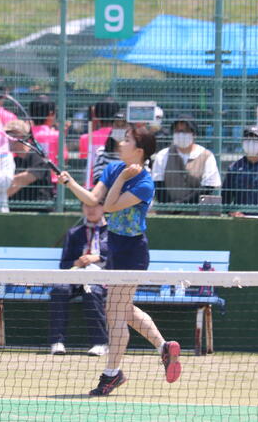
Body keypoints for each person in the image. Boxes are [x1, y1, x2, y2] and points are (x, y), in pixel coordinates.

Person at [59, 125, 182, 397]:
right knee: (123, 309)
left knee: (114, 311)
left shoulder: (144, 183)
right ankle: (163, 347)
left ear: (139, 150)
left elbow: (110, 206)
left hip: (132, 252)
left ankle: (111, 374)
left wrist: (123, 177)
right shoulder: (113, 168)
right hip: (114, 248)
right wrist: (70, 183)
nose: (121, 142)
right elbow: (93, 199)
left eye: (127, 140)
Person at [49, 202, 109, 357]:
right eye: (87, 206)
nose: (91, 210)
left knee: (91, 291)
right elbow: (64, 264)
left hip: (101, 279)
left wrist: (98, 258)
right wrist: (77, 262)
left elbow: (117, 260)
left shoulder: (113, 232)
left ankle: (100, 343)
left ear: (104, 208)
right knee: (59, 290)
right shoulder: (74, 233)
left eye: (95, 206)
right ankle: (57, 342)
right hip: (75, 277)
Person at [151, 115, 221, 213]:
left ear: (194, 133)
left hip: (197, 214)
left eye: (185, 131)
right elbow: (158, 185)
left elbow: (208, 187)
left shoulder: (206, 156)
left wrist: (180, 205)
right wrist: (170, 207)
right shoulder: (163, 155)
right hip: (167, 213)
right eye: (177, 131)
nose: (181, 134)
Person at [221, 125, 258, 217]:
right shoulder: (234, 168)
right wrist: (232, 212)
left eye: (255, 140)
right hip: (240, 221)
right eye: (247, 139)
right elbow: (225, 199)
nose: (251, 143)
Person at [5, 119, 55, 212]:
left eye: (10, 135)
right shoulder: (14, 160)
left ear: (22, 137)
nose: (7, 139)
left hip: (38, 211)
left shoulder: (38, 158)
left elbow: (17, 182)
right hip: (17, 211)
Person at [29, 95, 67, 183]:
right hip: (50, 180)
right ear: (51, 114)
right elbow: (64, 157)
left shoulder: (26, 134)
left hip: (28, 180)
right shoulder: (56, 135)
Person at [92, 111, 127, 184]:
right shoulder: (101, 152)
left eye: (123, 125)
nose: (120, 129)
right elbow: (98, 179)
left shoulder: (136, 152)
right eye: (117, 125)